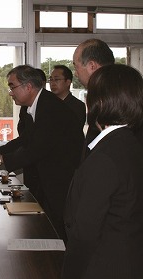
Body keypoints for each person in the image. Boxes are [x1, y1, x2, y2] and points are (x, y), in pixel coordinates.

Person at [0, 65, 84, 242]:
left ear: (28, 87)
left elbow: (36, 149)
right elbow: (26, 139)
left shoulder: (49, 108)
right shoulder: (39, 105)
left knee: (61, 236)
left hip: (63, 182)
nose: (10, 93)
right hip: (51, 180)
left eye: (12, 87)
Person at [62, 64, 143, 279]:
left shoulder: (105, 157)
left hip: (103, 266)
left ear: (98, 103)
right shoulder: (131, 145)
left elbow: (85, 232)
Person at [73, 38, 115, 148]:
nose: (75, 74)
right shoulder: (104, 93)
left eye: (76, 66)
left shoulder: (112, 99)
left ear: (92, 66)